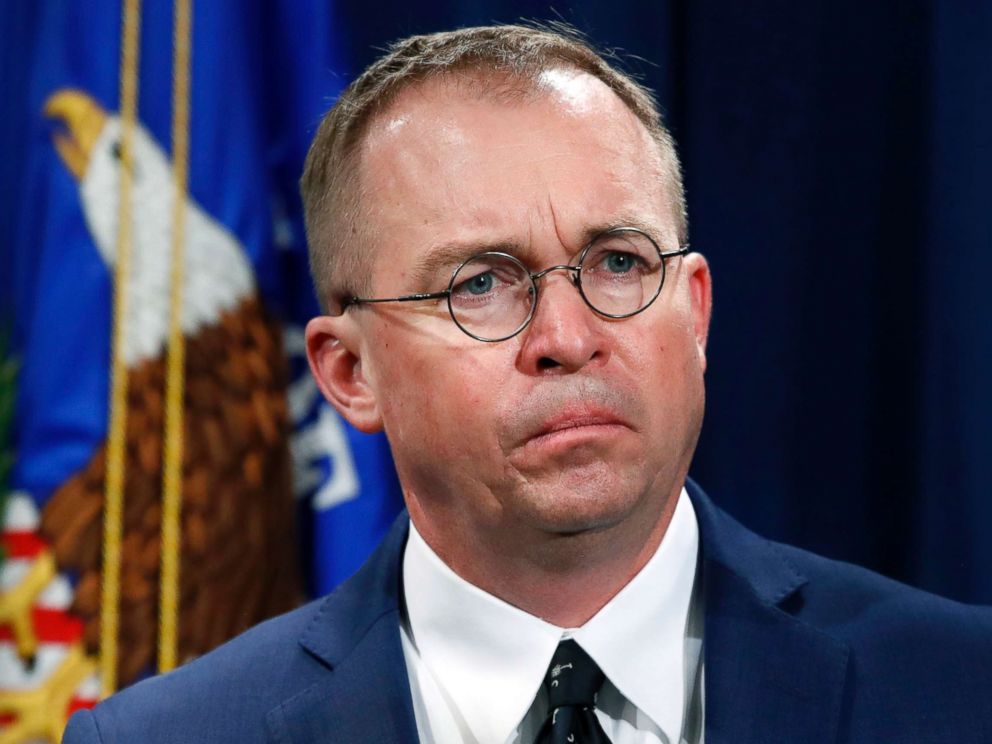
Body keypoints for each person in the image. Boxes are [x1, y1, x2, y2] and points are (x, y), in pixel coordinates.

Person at [64, 23, 992, 744]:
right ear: (350, 374)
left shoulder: (960, 693)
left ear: (697, 312)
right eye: (481, 284)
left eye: (620, 263)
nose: (568, 337)